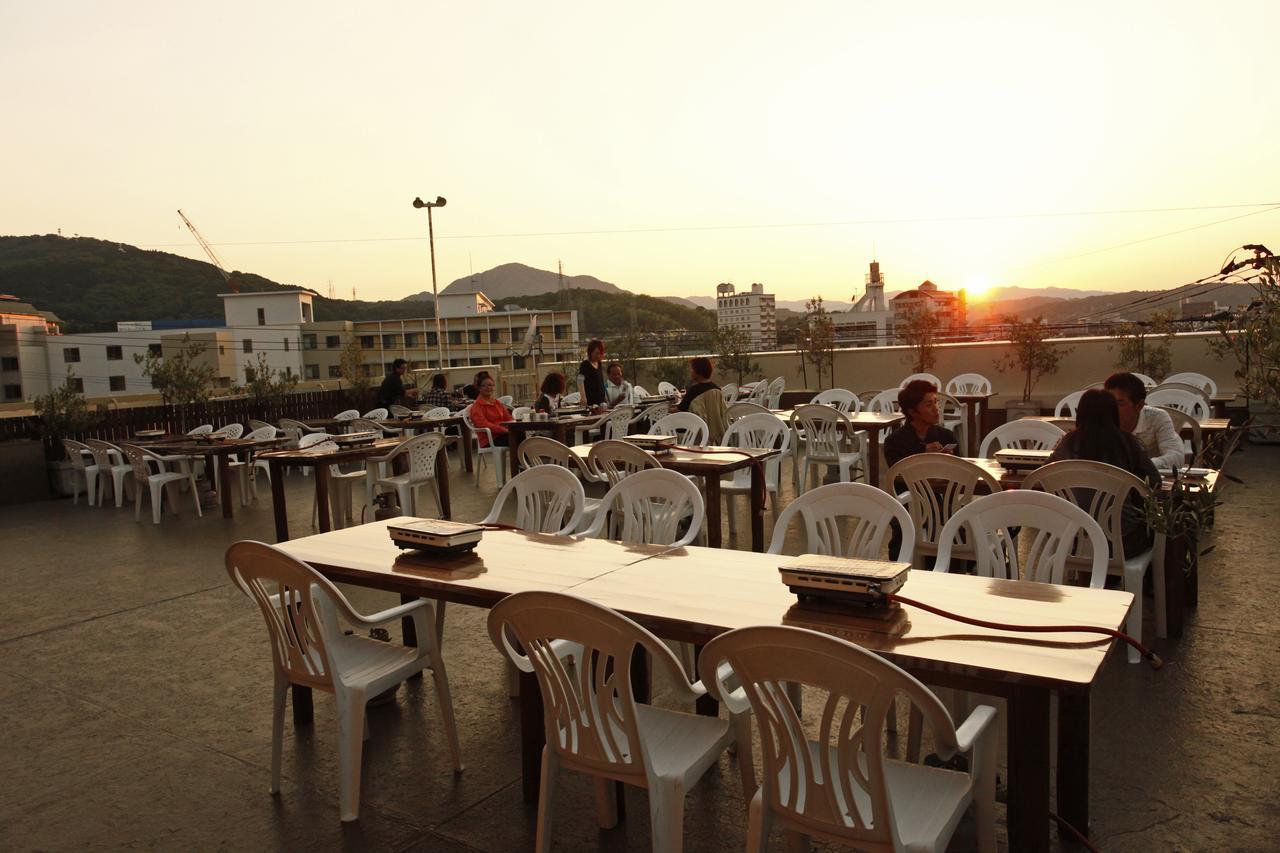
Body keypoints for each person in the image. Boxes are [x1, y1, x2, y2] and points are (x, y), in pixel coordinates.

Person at [1049, 388, 1161, 558]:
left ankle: (1086, 576)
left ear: (1081, 413)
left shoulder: (1068, 443)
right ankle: (1145, 581)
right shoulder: (1127, 443)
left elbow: (1044, 476)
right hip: (1121, 542)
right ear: (1113, 413)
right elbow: (1154, 481)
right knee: (1161, 529)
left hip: (1072, 540)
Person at [1103, 372, 1184, 472]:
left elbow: (1176, 457)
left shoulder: (1157, 417)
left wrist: (1143, 466)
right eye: (1108, 402)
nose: (1111, 408)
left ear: (1139, 405)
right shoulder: (1100, 419)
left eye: (1120, 404)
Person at [883, 380, 958, 468]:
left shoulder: (946, 436)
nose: (936, 409)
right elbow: (897, 476)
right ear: (912, 412)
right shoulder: (894, 441)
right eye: (929, 405)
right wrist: (922, 456)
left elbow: (961, 472)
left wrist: (951, 461)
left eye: (936, 402)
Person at [468, 375, 511, 447]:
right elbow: (483, 424)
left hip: (503, 433)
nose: (488, 388)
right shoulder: (477, 406)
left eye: (491, 385)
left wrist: (513, 427)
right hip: (489, 439)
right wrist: (503, 430)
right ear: (479, 388)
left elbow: (508, 418)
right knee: (517, 438)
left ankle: (523, 458)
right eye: (484, 386)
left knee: (520, 434)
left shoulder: (496, 402)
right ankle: (521, 458)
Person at [576, 339, 608, 409]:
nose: (598, 355)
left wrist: (604, 396)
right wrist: (583, 397)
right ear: (591, 352)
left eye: (600, 353)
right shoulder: (585, 364)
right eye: (596, 353)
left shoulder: (599, 363)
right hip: (591, 400)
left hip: (601, 400)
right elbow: (580, 380)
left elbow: (601, 381)